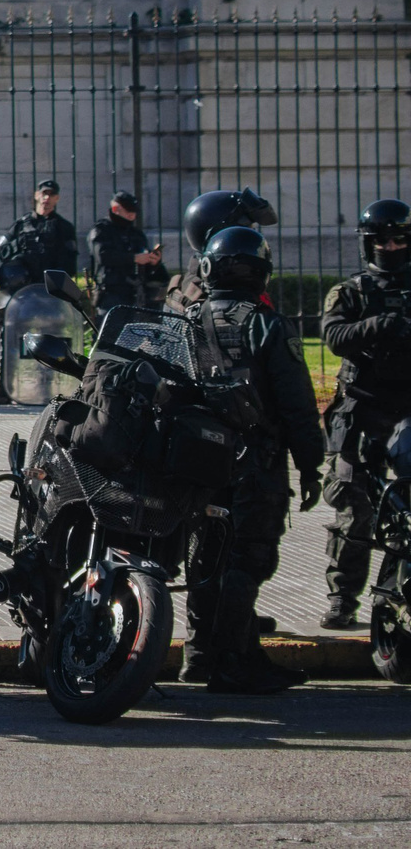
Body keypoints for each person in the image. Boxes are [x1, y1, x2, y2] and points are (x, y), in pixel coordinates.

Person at [181, 225, 324, 691]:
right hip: (253, 463)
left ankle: (202, 655)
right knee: (248, 556)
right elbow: (297, 404)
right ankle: (231, 664)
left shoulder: (185, 319)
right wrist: (309, 463)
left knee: (204, 557)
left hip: (196, 461)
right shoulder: (267, 325)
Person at [319, 198, 411, 631]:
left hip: (408, 411)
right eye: (380, 240)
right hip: (362, 410)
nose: (389, 247)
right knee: (354, 512)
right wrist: (382, 325)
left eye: (398, 239)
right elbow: (334, 336)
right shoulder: (351, 291)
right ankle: (342, 601)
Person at [0, 179, 91, 402]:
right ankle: (4, 389)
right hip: (22, 296)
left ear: (57, 198)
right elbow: (2, 252)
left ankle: (49, 389)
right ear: (36, 195)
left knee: (53, 343)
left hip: (48, 296)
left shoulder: (64, 228)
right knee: (9, 339)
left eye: (51, 194)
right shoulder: (21, 224)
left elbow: (69, 267)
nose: (46, 198)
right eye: (43, 194)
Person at [88, 189, 166, 314]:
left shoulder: (136, 234)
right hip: (111, 293)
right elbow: (103, 256)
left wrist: (153, 261)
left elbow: (146, 264)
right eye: (128, 210)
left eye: (134, 211)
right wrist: (133, 258)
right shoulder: (101, 230)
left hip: (135, 293)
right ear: (115, 209)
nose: (132, 214)